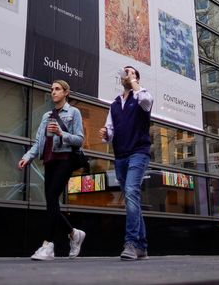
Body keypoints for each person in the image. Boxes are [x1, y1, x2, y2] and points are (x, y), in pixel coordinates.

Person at [18, 79, 86, 261]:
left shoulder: (74, 112)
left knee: (52, 198)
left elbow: (80, 140)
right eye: (52, 89)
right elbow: (38, 142)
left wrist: (61, 133)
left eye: (57, 89)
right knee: (51, 202)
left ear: (66, 92)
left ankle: (48, 245)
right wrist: (27, 157)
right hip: (49, 161)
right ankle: (73, 233)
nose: (53, 92)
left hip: (65, 159)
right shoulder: (46, 116)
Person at [98, 66, 153, 261]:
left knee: (131, 192)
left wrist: (134, 82)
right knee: (132, 199)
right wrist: (106, 134)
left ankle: (130, 243)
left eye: (129, 71)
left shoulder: (141, 97)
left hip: (139, 152)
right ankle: (142, 246)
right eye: (124, 72)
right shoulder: (114, 104)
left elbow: (146, 101)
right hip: (120, 155)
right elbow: (110, 131)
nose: (125, 74)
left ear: (136, 76)